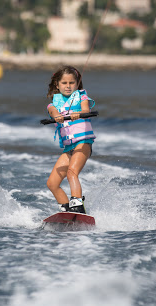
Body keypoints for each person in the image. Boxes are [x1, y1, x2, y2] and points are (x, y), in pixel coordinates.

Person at [46, 65, 96, 214]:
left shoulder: (82, 96)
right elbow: (53, 111)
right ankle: (66, 209)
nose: (68, 86)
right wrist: (56, 116)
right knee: (52, 183)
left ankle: (77, 205)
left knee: (71, 173)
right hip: (69, 148)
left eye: (71, 83)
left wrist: (78, 113)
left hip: (83, 143)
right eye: (64, 83)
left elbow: (86, 110)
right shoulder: (53, 104)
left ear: (77, 83)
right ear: (57, 84)